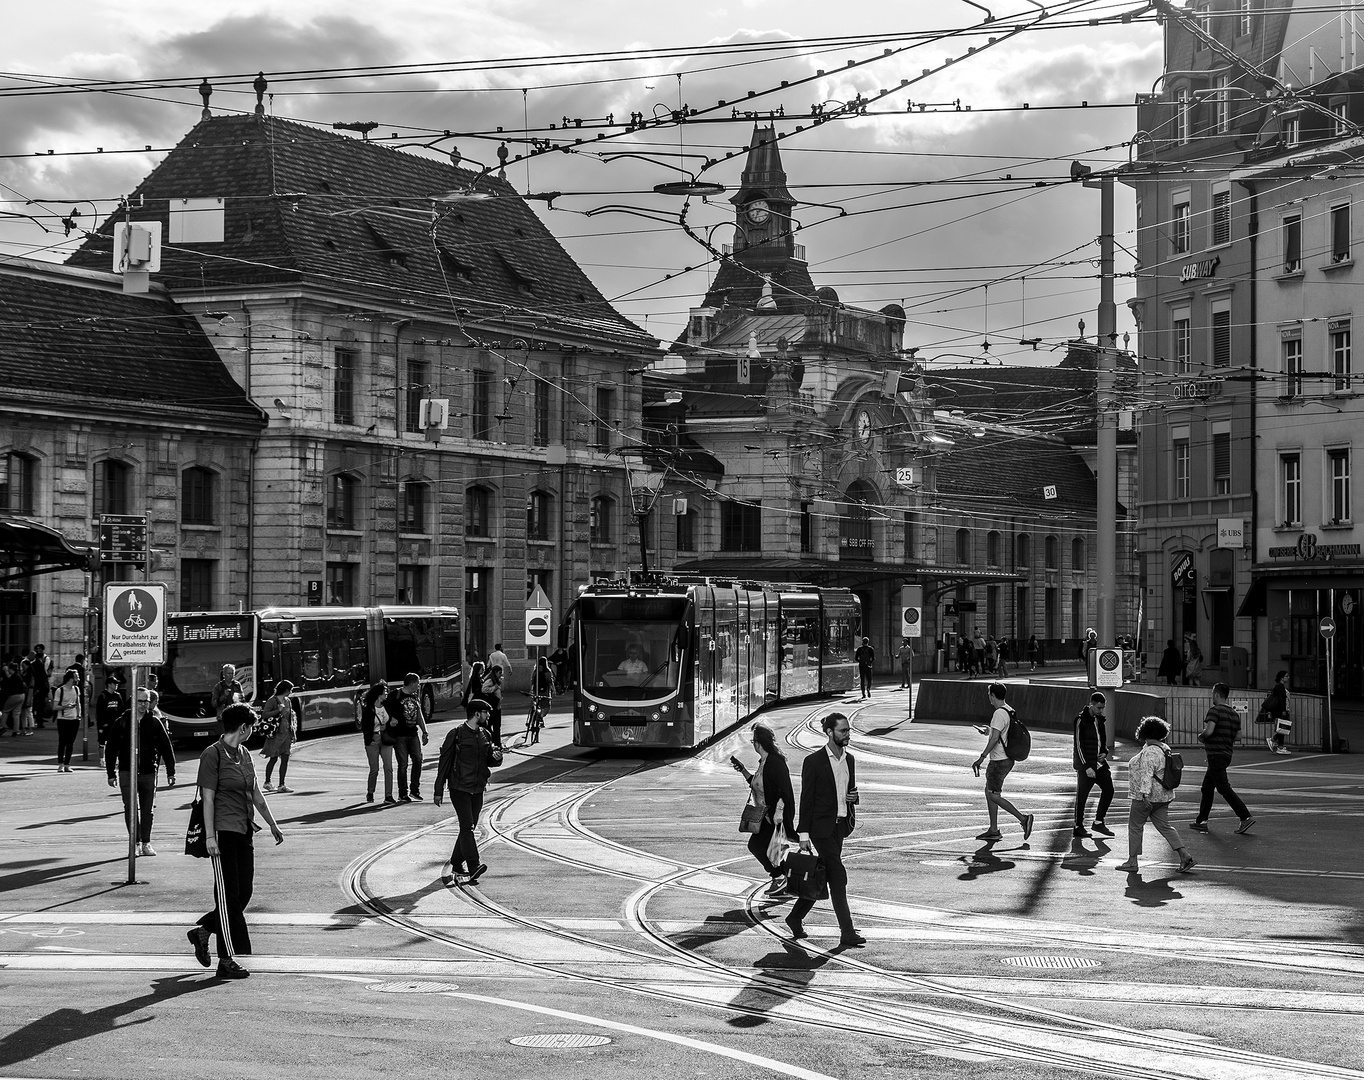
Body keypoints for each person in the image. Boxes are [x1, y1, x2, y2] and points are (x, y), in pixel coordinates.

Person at [187, 704, 284, 980]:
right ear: (243, 728)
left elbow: (255, 793)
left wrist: (273, 823)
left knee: (243, 893)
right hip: (221, 833)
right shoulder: (212, 755)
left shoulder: (244, 755)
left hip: (243, 830)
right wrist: (209, 837)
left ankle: (204, 930)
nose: (252, 731)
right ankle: (226, 959)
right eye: (251, 726)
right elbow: (207, 798)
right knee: (228, 896)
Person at [785, 712, 864, 947]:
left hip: (840, 827)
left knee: (825, 875)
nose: (847, 734)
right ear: (829, 733)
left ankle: (795, 917)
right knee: (838, 877)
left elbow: (849, 793)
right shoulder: (814, 761)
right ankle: (847, 932)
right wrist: (803, 835)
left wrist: (854, 798)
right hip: (820, 829)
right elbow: (806, 799)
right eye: (843, 731)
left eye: (848, 730)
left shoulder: (849, 759)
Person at [433, 697, 503, 884]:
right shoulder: (456, 734)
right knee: (467, 826)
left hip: (477, 788)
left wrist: (497, 758)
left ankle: (456, 862)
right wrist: (438, 789)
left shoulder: (485, 734)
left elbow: (490, 760)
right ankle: (473, 865)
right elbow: (444, 762)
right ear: (477, 714)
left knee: (469, 827)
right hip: (459, 787)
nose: (489, 715)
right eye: (486, 712)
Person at [1115, 716, 1195, 873]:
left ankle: (1132, 861)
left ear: (1145, 732)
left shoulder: (1150, 752)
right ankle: (1184, 855)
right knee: (1165, 826)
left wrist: (1144, 796)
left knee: (1135, 827)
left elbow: (1147, 775)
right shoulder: (1164, 748)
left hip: (1146, 797)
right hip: (1164, 796)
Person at [105, 687, 177, 856]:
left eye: (146, 701)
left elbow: (166, 747)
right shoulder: (122, 722)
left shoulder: (154, 722)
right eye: (140, 701)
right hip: (126, 771)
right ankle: (135, 843)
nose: (144, 704)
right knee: (130, 809)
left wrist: (171, 772)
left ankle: (146, 843)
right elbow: (111, 749)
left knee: (147, 809)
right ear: (133, 701)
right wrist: (110, 773)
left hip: (148, 771)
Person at [730, 722, 798, 896]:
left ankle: (780, 877)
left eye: (754, 741)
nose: (753, 744)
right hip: (765, 816)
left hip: (774, 816)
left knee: (760, 846)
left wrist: (779, 812)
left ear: (759, 743)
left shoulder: (775, 762)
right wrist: (743, 770)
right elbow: (758, 784)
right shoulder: (764, 762)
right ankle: (784, 879)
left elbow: (784, 789)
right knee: (772, 849)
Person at [972, 682, 1035, 843]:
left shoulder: (999, 713)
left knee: (993, 795)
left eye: (989, 695)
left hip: (999, 760)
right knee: (990, 792)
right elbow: (999, 734)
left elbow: (995, 738)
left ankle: (1023, 819)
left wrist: (982, 756)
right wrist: (988, 730)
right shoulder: (1008, 710)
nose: (989, 698)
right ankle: (993, 830)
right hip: (1007, 758)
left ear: (992, 695)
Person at [1190, 682, 1255, 835]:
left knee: (1223, 788)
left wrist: (1202, 737)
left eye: (1213, 694)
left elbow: (1209, 730)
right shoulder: (1234, 714)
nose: (1212, 696)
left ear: (1217, 694)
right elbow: (1238, 736)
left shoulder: (1214, 711)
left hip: (1215, 754)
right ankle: (1201, 821)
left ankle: (1245, 816)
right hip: (1226, 753)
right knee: (1207, 788)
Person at [1072, 692, 1115, 838]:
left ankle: (1098, 822)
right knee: (1082, 796)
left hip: (1099, 763)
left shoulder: (1100, 720)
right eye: (1098, 707)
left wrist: (1105, 752)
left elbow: (1102, 742)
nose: (1101, 710)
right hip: (1087, 766)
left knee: (1109, 790)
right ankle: (1078, 826)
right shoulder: (1080, 720)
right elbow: (1078, 746)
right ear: (1091, 704)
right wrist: (1086, 767)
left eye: (1102, 708)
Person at [384, 673, 429, 802]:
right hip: (399, 735)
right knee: (403, 764)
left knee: (418, 760)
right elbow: (385, 710)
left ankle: (415, 790)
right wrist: (390, 720)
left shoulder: (415, 696)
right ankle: (403, 793)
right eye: (418, 683)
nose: (419, 686)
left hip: (412, 733)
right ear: (412, 683)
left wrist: (425, 732)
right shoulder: (395, 695)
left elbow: (419, 714)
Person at [259, 680, 296, 793]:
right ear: (285, 689)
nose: (290, 692)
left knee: (285, 758)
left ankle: (282, 785)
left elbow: (290, 718)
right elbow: (264, 714)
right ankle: (267, 782)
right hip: (275, 734)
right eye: (290, 690)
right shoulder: (272, 701)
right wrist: (277, 710)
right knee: (273, 758)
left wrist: (293, 733)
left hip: (286, 733)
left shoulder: (288, 701)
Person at [361, 681, 394, 803]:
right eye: (384, 692)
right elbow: (365, 727)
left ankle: (388, 795)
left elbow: (391, 719)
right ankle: (370, 792)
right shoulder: (368, 708)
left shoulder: (387, 705)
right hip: (373, 739)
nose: (386, 693)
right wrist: (369, 740)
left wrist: (390, 725)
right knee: (374, 769)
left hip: (385, 738)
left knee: (388, 768)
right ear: (378, 694)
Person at [52, 668, 83, 772]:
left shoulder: (76, 689)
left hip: (74, 719)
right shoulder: (60, 690)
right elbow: (55, 706)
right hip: (63, 719)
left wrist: (79, 715)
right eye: (76, 676)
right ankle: (60, 764)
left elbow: (78, 703)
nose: (78, 678)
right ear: (71, 678)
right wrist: (65, 706)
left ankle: (67, 764)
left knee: (70, 742)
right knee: (62, 742)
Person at [93, 671, 125, 764]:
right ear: (110, 685)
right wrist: (101, 724)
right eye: (115, 684)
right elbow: (99, 712)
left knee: (116, 742)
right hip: (105, 724)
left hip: (115, 723)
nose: (117, 685)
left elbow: (121, 710)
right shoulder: (103, 696)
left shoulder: (118, 696)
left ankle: (116, 759)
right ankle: (102, 760)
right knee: (102, 742)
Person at [1264, 669, 1292, 755]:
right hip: (1281, 711)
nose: (1288, 678)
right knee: (1283, 728)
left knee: (1283, 727)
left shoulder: (1280, 686)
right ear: (1282, 678)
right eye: (1286, 676)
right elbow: (1281, 699)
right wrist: (1283, 710)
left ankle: (1278, 744)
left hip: (1282, 710)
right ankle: (1277, 743)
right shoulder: (1280, 686)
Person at [28, 643, 53, 728]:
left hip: (38, 687)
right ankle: (39, 720)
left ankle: (38, 719)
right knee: (40, 704)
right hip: (41, 686)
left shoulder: (34, 664)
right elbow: (43, 676)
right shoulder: (39, 665)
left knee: (37, 704)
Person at [1, 659, 25, 736]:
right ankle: (15, 730)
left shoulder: (13, 677)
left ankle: (2, 726)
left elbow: (8, 680)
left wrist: (5, 671)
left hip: (14, 696)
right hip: (22, 695)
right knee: (16, 714)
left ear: (11, 669)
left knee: (5, 711)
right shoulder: (18, 676)